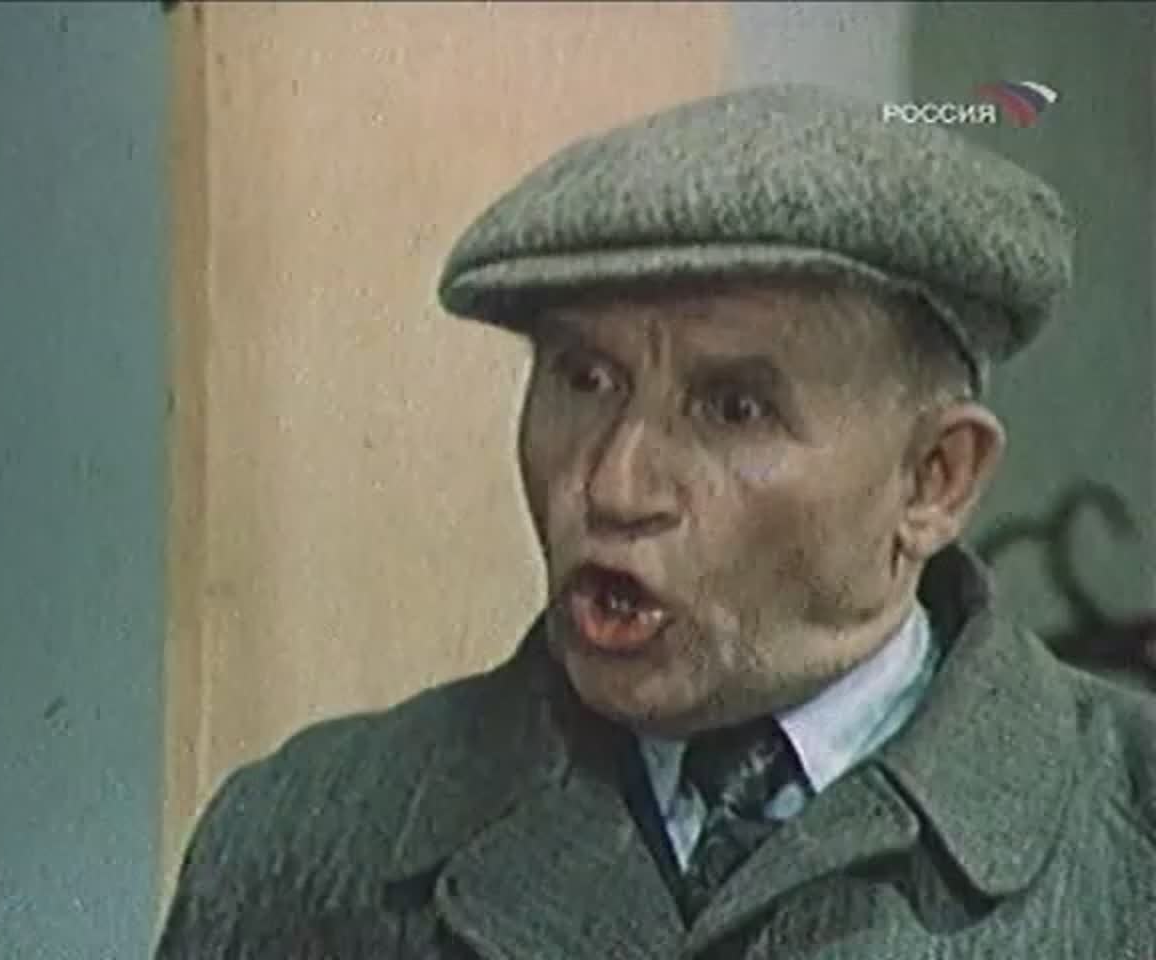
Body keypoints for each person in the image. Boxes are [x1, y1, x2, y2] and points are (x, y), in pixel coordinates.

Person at [155, 84, 1156, 959]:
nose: (613, 485)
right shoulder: (305, 837)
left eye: (734, 408)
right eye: (584, 380)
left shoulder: (1131, 835)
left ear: (932, 481)